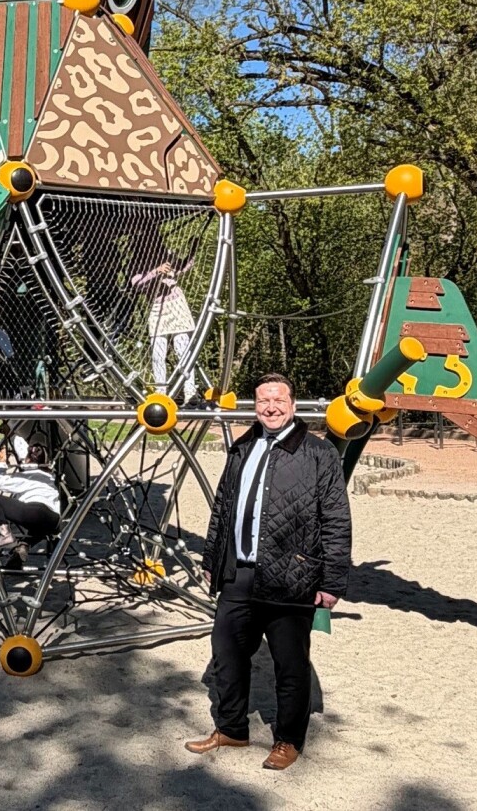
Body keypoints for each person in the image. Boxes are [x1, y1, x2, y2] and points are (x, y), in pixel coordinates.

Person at [184, 373, 352, 771]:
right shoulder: (243, 447)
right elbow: (222, 508)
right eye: (263, 401)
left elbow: (336, 519)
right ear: (254, 406)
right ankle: (231, 729)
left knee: (290, 665)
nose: (270, 407)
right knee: (227, 655)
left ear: (292, 405)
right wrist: (212, 559)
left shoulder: (318, 453)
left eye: (278, 400)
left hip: (292, 576)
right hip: (238, 573)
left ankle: (288, 740)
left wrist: (331, 582)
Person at [0, 442, 62, 567]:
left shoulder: (26, 476)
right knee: (38, 528)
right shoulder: (49, 477)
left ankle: (4, 533)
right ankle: (23, 546)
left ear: (28, 460)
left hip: (33, 511)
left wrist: (2, 461)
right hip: (53, 519)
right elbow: (23, 449)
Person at [130, 254, 196, 394]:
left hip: (177, 306)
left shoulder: (165, 258)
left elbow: (184, 267)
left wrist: (192, 252)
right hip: (157, 308)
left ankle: (190, 391)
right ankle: (161, 390)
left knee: (182, 351)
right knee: (157, 355)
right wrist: (157, 271)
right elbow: (136, 283)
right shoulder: (136, 265)